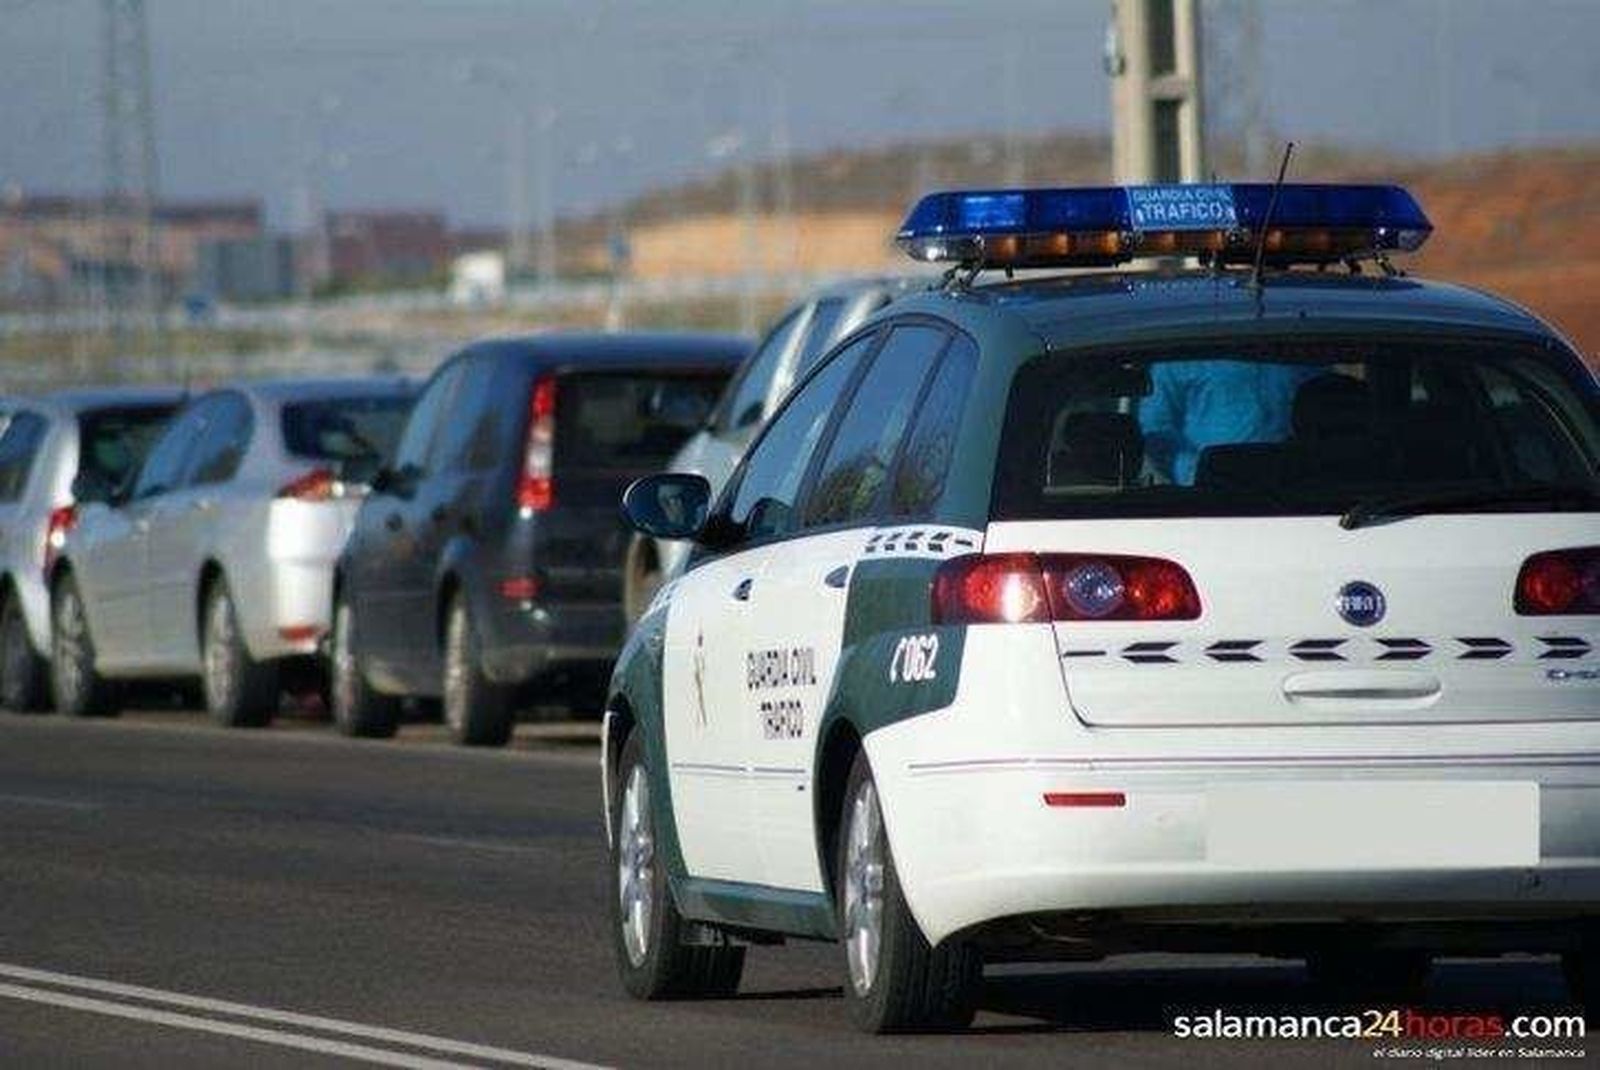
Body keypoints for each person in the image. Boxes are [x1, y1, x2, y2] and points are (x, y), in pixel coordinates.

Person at [1138, 358, 1321, 485]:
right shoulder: (1181, 357)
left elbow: (1327, 415)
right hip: (1210, 499)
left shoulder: (1298, 354)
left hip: (1302, 497)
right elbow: (1155, 427)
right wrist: (1191, 472)